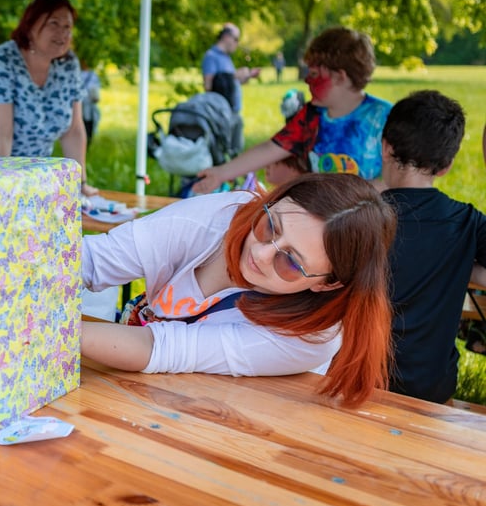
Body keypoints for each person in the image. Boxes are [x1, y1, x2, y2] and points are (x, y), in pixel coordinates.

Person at [81, 173, 397, 407]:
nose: (261, 254)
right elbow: (94, 260)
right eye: (270, 226)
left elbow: (166, 349)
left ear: (327, 283)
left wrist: (48, 329)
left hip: (228, 434)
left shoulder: (315, 336)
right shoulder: (224, 216)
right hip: (151, 398)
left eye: (289, 261)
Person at [192, 27, 392, 194]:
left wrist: (361, 197)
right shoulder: (311, 115)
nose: (306, 80)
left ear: (340, 77)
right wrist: (222, 173)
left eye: (313, 74)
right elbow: (271, 148)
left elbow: (403, 176)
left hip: (367, 227)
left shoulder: (385, 118)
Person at [381, 90, 486, 403]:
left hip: (361, 376)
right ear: (446, 166)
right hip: (432, 386)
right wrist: (458, 260)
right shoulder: (467, 223)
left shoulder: (360, 219)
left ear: (386, 148)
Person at [0, 0, 98, 196]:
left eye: (68, 27)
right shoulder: (0, 62)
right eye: (53, 24)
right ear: (30, 26)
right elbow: (2, 137)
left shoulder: (68, 64)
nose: (63, 33)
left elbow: (73, 131)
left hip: (30, 178)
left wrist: (79, 185)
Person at [201, 23, 260, 114]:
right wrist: (235, 75)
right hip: (220, 112)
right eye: (236, 39)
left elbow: (230, 83)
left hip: (232, 111)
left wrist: (248, 75)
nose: (237, 43)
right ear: (226, 36)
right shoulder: (211, 56)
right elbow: (208, 87)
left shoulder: (227, 57)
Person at [81, 62, 101, 146]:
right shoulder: (92, 75)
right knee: (85, 124)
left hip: (85, 105)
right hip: (84, 105)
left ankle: (86, 143)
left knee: (86, 124)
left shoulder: (90, 74)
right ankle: (86, 142)